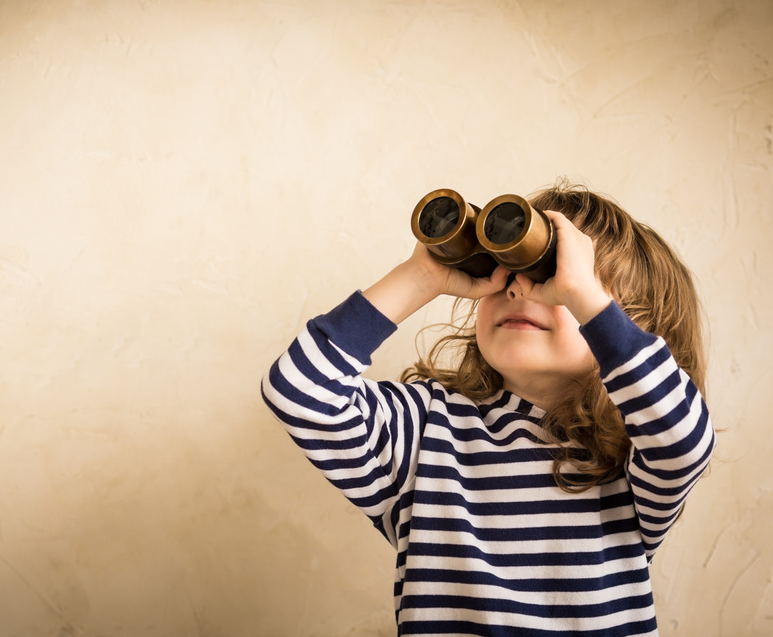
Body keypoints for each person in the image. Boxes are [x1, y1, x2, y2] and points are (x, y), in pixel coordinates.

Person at [260, 181, 715, 636]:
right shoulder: (426, 431)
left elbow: (684, 443)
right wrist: (422, 276)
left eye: (549, 276)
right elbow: (299, 392)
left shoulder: (630, 456)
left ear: (626, 327)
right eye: (506, 269)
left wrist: (586, 297)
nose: (519, 289)